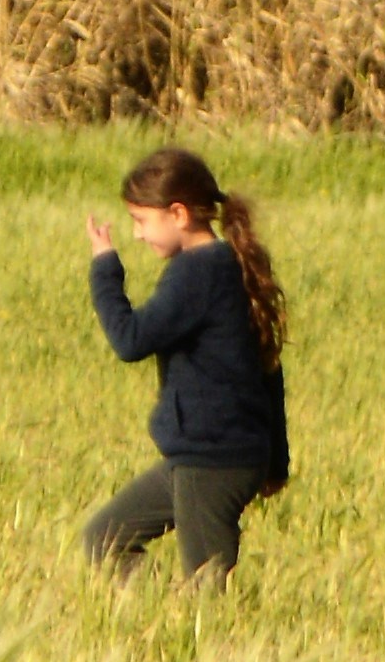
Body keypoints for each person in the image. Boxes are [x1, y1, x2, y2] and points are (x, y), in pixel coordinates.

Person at [81, 146, 290, 580]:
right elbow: (269, 367)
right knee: (105, 538)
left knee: (206, 592)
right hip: (205, 457)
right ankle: (167, 618)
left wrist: (104, 268)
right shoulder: (228, 265)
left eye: (141, 221)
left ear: (178, 214)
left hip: (212, 459)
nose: (137, 234)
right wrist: (274, 459)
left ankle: (207, 640)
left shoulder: (198, 272)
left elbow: (130, 340)